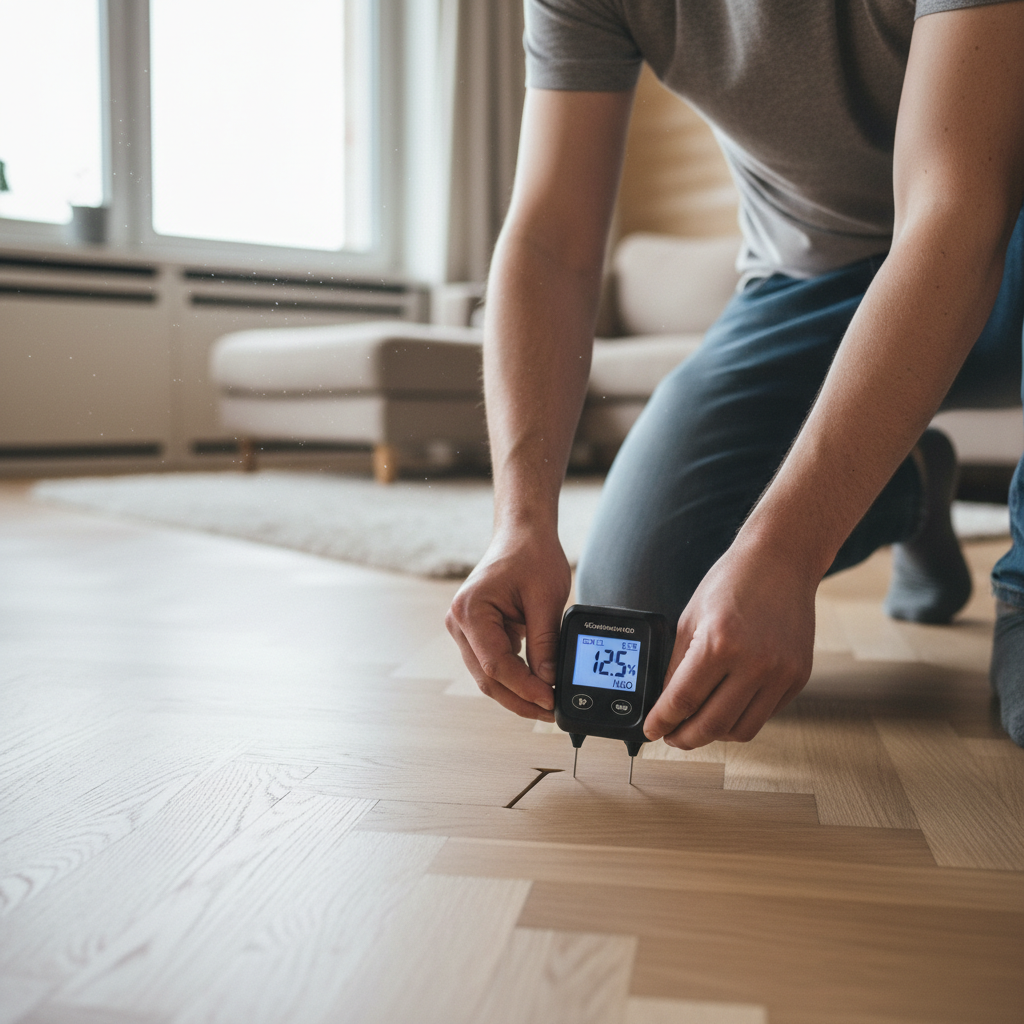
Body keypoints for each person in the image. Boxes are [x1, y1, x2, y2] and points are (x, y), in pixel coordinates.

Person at [446, 0, 1024, 749]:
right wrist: (520, 522)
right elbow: (551, 239)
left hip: (995, 239)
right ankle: (908, 484)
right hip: (805, 285)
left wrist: (787, 549)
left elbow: (957, 207)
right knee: (642, 608)